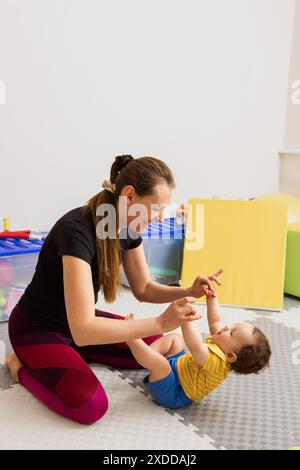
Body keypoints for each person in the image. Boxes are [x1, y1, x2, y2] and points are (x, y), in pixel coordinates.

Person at [6, 154, 222, 424]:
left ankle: (72, 354)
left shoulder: (128, 227)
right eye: (155, 208)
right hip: (39, 329)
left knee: (170, 344)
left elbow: (143, 288)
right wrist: (159, 322)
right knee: (90, 407)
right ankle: (19, 367)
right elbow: (84, 330)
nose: (157, 218)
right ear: (129, 195)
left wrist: (188, 290)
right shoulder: (75, 231)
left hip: (79, 330)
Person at [125, 286, 271, 409]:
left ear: (230, 356)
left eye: (232, 332)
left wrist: (186, 321)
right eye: (234, 325)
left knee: (161, 365)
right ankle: (144, 356)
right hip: (178, 367)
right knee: (176, 339)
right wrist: (212, 298)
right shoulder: (223, 342)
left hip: (174, 392)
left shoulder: (217, 364)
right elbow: (216, 321)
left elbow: (195, 347)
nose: (227, 326)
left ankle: (133, 340)